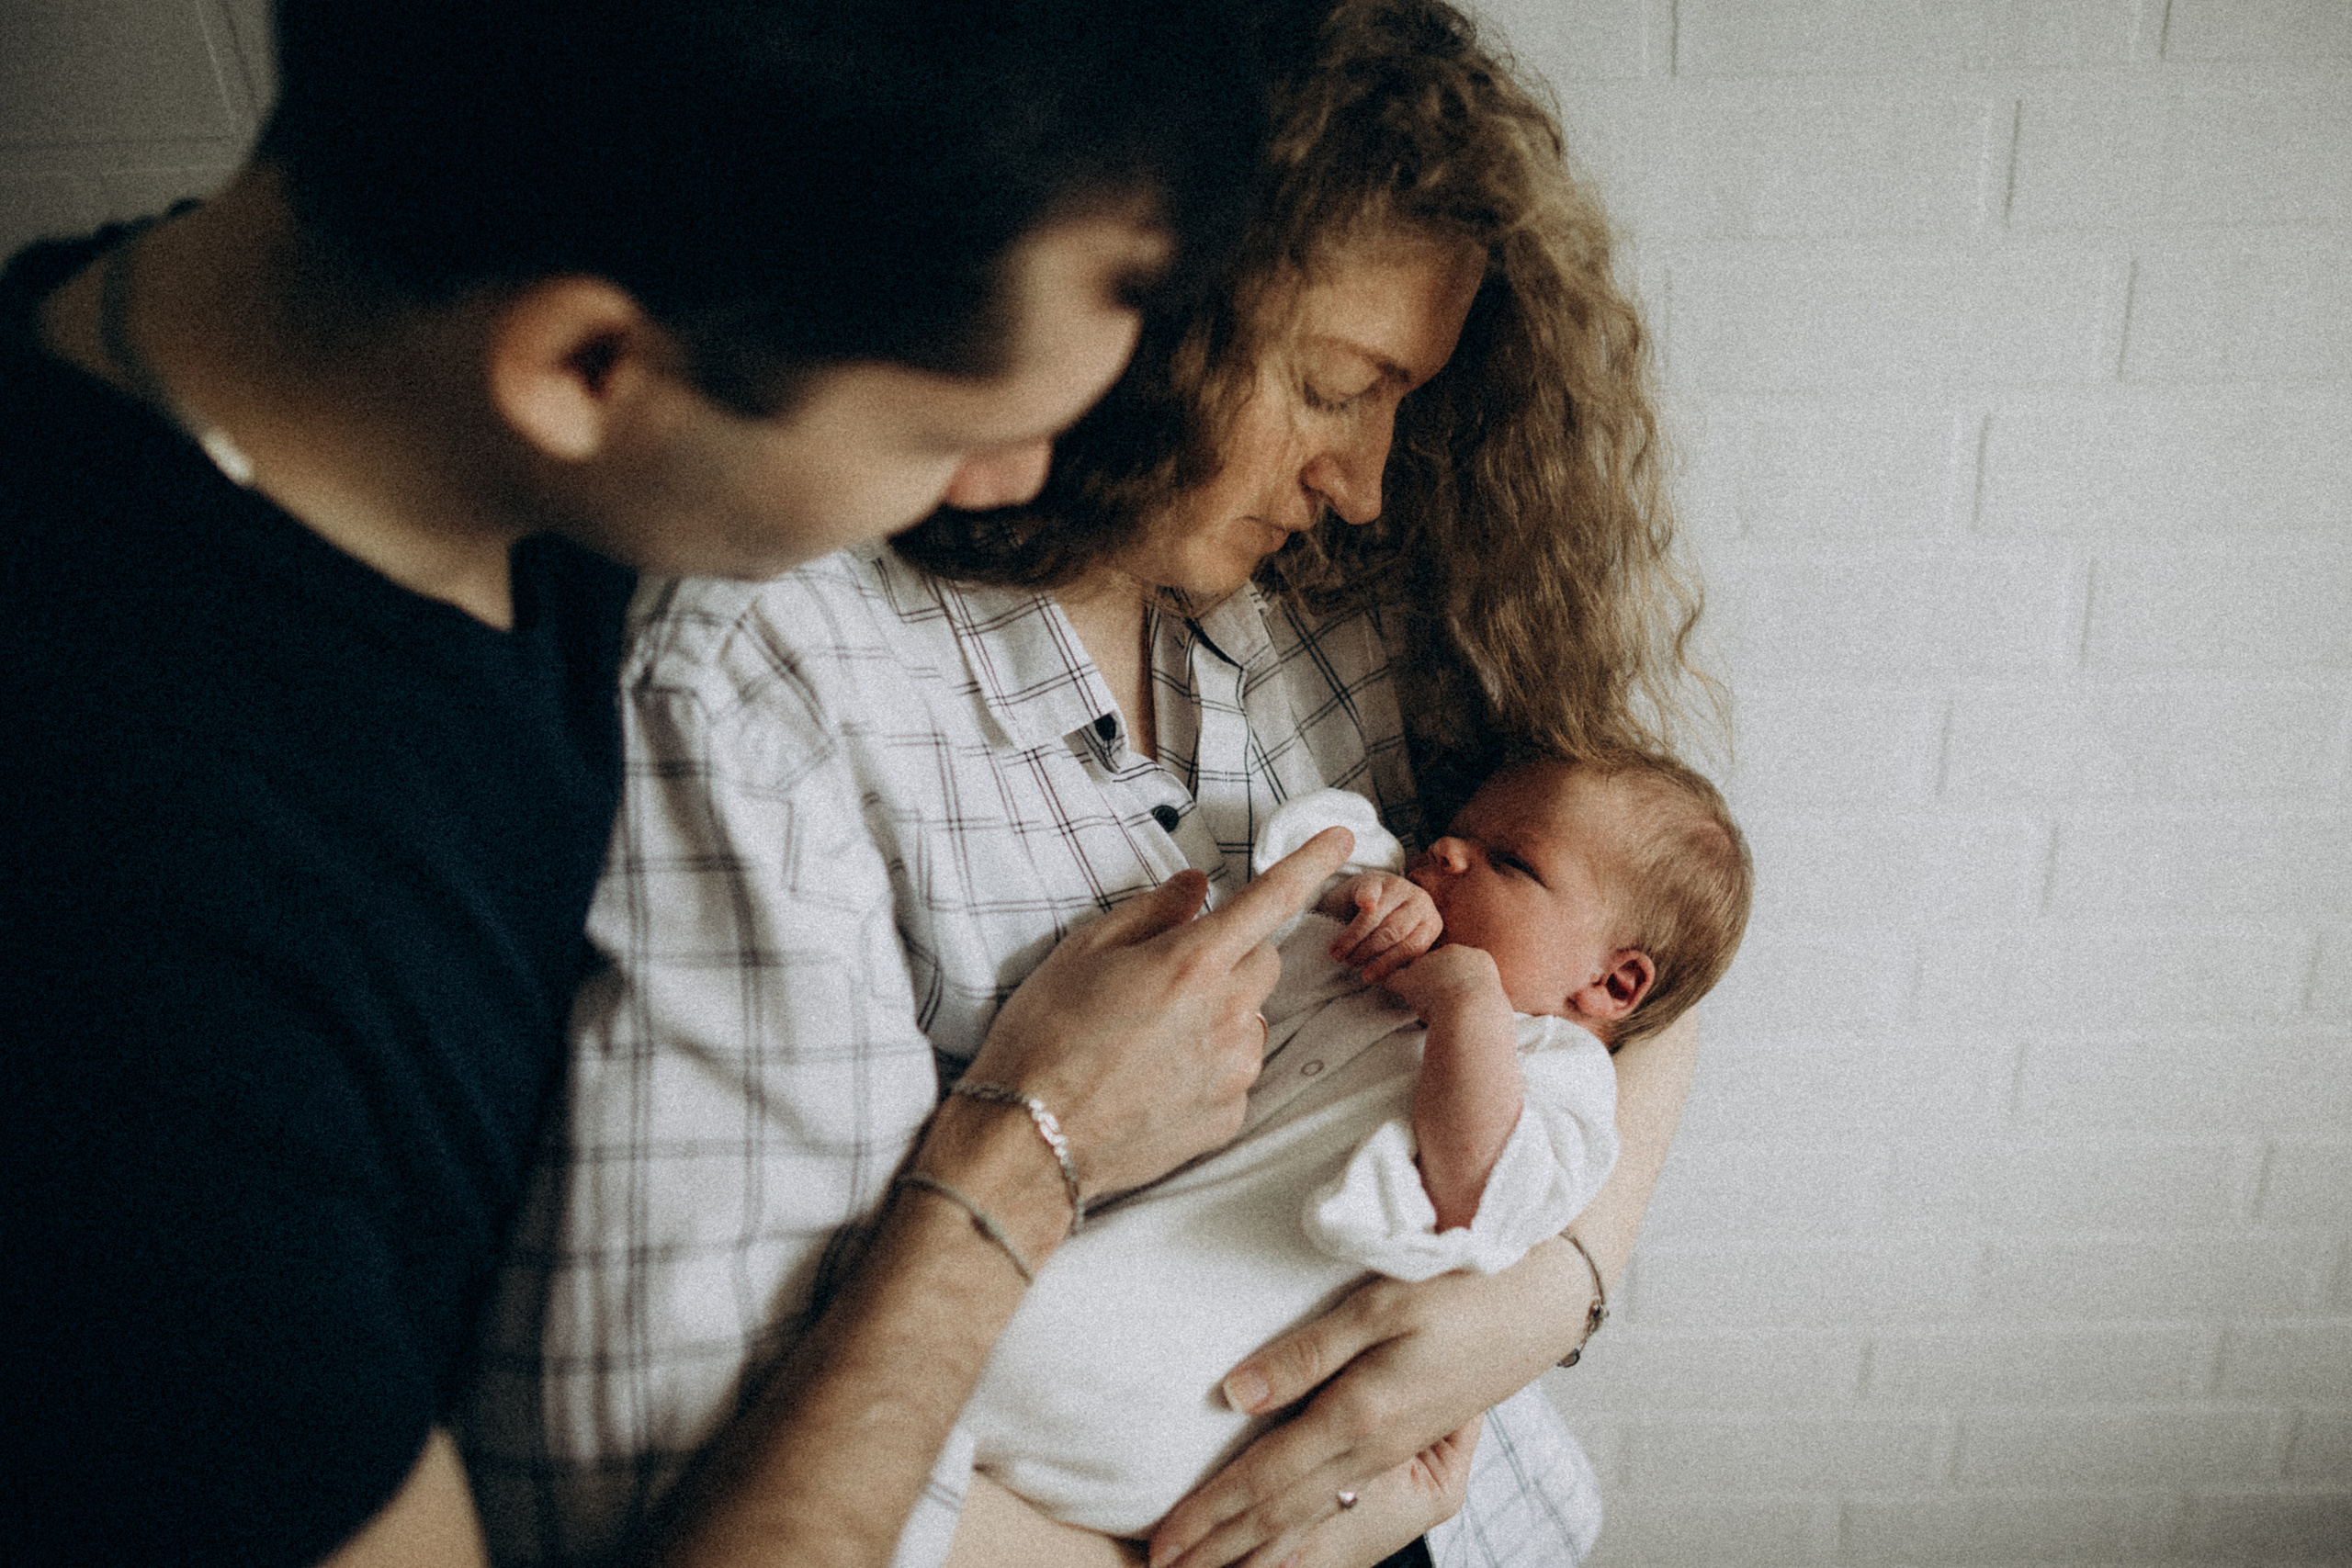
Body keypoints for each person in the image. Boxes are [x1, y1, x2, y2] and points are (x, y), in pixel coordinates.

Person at [0, 2, 1315, 1564]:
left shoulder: (374, 331)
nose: (1018, 483)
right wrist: (1032, 1145)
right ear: (583, 365)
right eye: (956, 433)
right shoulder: (138, 993)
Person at [464, 4, 1719, 1567]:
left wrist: (1549, 1286)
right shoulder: (771, 679)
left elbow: (1645, 933)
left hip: (1486, 1514)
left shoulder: (1353, 592)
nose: (1365, 483)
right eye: (1336, 386)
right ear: (1142, 317)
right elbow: (666, 1485)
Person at [956, 755, 1752, 1545]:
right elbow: (1312, 872)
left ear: (1614, 984)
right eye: (1454, 834)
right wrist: (1367, 901)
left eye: (1510, 861)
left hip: (1201, 1376)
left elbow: (1478, 1194)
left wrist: (1468, 1001)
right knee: (996, 1350)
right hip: (1114, 1253)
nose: (1446, 852)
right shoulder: (1381, 957)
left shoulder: (1562, 1075)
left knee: (1035, 1368)